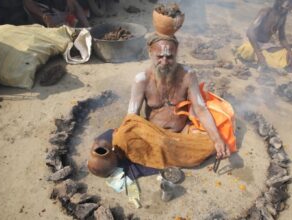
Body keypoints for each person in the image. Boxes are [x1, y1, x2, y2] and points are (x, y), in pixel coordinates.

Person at [95, 33, 231, 175]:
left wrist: (217, 140)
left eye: (170, 57)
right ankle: (172, 154)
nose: (165, 62)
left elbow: (201, 109)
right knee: (122, 137)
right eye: (159, 57)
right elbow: (132, 117)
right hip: (152, 135)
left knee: (213, 141)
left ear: (176, 53)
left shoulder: (188, 75)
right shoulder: (141, 79)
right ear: (150, 53)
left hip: (182, 134)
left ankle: (164, 154)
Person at [235, 0, 292, 72]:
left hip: (266, 46)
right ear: (279, 2)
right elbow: (250, 32)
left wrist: (289, 52)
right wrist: (259, 53)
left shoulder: (282, 18)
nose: (289, 9)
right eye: (288, 6)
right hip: (253, 43)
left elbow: (282, 38)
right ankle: (261, 58)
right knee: (247, 49)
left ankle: (261, 60)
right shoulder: (265, 12)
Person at [23, 0, 89, 27]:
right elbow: (27, 2)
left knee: (74, 3)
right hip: (43, 12)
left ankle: (88, 28)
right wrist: (42, 16)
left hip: (57, 7)